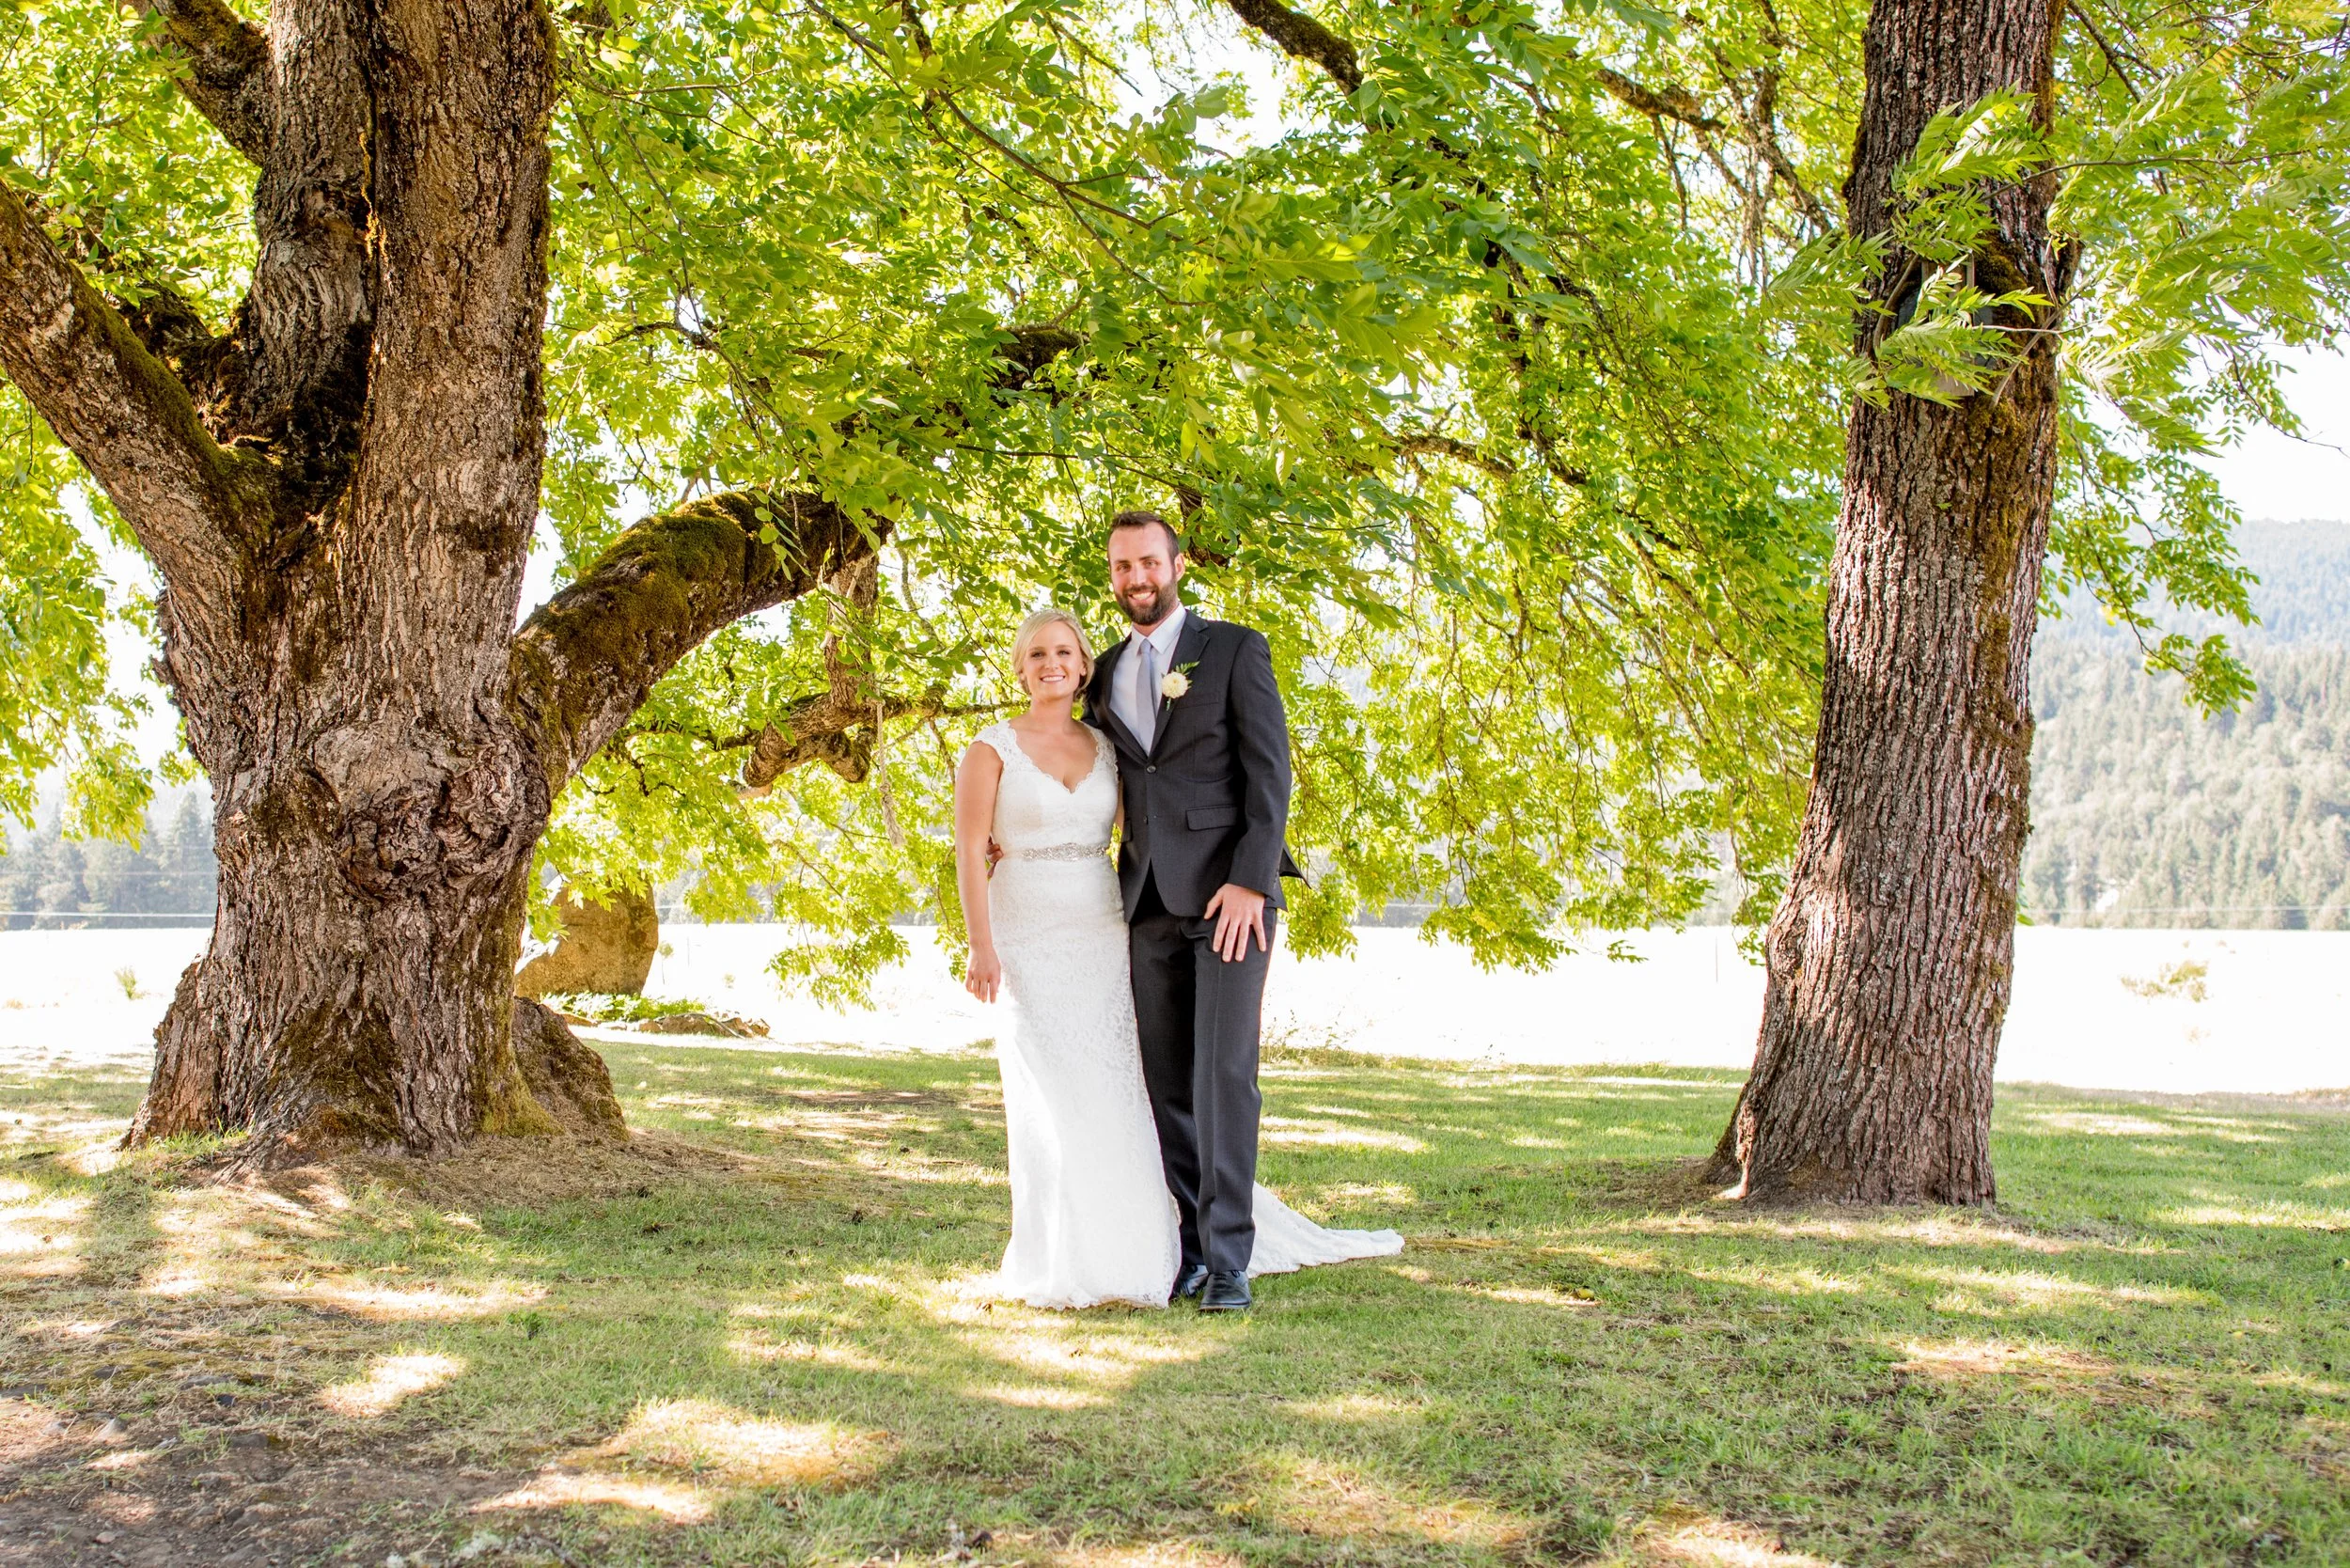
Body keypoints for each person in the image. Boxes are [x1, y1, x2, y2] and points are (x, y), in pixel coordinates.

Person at [952, 519, 1400, 1313]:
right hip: (1141, 907)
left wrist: (1253, 882)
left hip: (1231, 904)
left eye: (1149, 561)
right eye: (1123, 565)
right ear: (1114, 576)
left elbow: (1271, 778)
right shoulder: (1109, 673)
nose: (1137, 575)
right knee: (1164, 1089)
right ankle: (1189, 1246)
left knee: (1224, 1076)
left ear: (1176, 564)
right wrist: (1010, 849)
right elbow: (1110, 786)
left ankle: (1230, 1262)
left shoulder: (1233, 649)